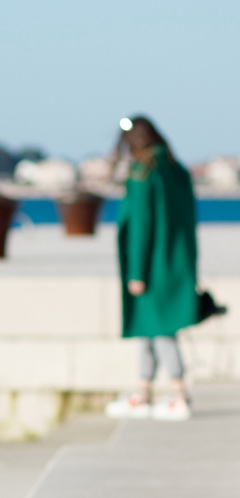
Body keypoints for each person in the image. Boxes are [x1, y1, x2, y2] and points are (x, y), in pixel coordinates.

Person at [105, 115, 199, 422]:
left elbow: (141, 226)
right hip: (174, 263)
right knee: (150, 328)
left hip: (150, 267)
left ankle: (179, 393)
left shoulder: (143, 172)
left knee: (160, 330)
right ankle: (143, 392)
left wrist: (136, 272)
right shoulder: (176, 170)